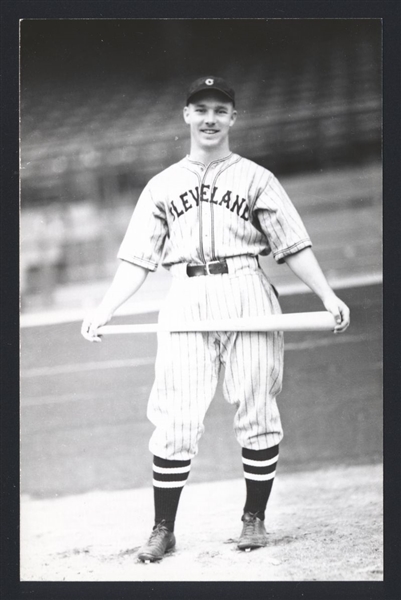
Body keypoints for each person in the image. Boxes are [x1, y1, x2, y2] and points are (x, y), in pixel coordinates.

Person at [81, 76, 350, 562]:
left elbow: (293, 245)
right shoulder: (161, 186)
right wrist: (105, 308)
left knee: (256, 408)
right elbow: (138, 259)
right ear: (186, 115)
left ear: (233, 118)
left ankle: (254, 519)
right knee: (176, 417)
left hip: (247, 287)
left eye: (220, 110)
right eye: (200, 108)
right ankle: (163, 527)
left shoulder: (257, 178)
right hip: (186, 294)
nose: (209, 118)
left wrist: (327, 295)